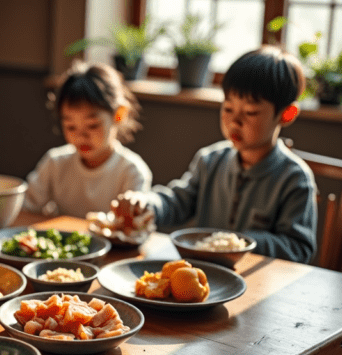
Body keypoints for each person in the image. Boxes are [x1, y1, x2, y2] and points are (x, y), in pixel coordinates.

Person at [114, 46, 317, 263]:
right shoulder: (210, 160)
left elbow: (298, 248)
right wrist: (147, 203)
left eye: (250, 112)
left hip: (260, 285)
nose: (234, 121)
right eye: (228, 108)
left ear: (286, 114)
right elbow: (177, 201)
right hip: (205, 279)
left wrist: (239, 243)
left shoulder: (294, 178)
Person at [23, 61, 152, 218]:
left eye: (92, 126)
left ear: (119, 115)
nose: (81, 136)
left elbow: (132, 225)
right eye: (71, 127)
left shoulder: (131, 171)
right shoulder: (54, 163)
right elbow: (26, 208)